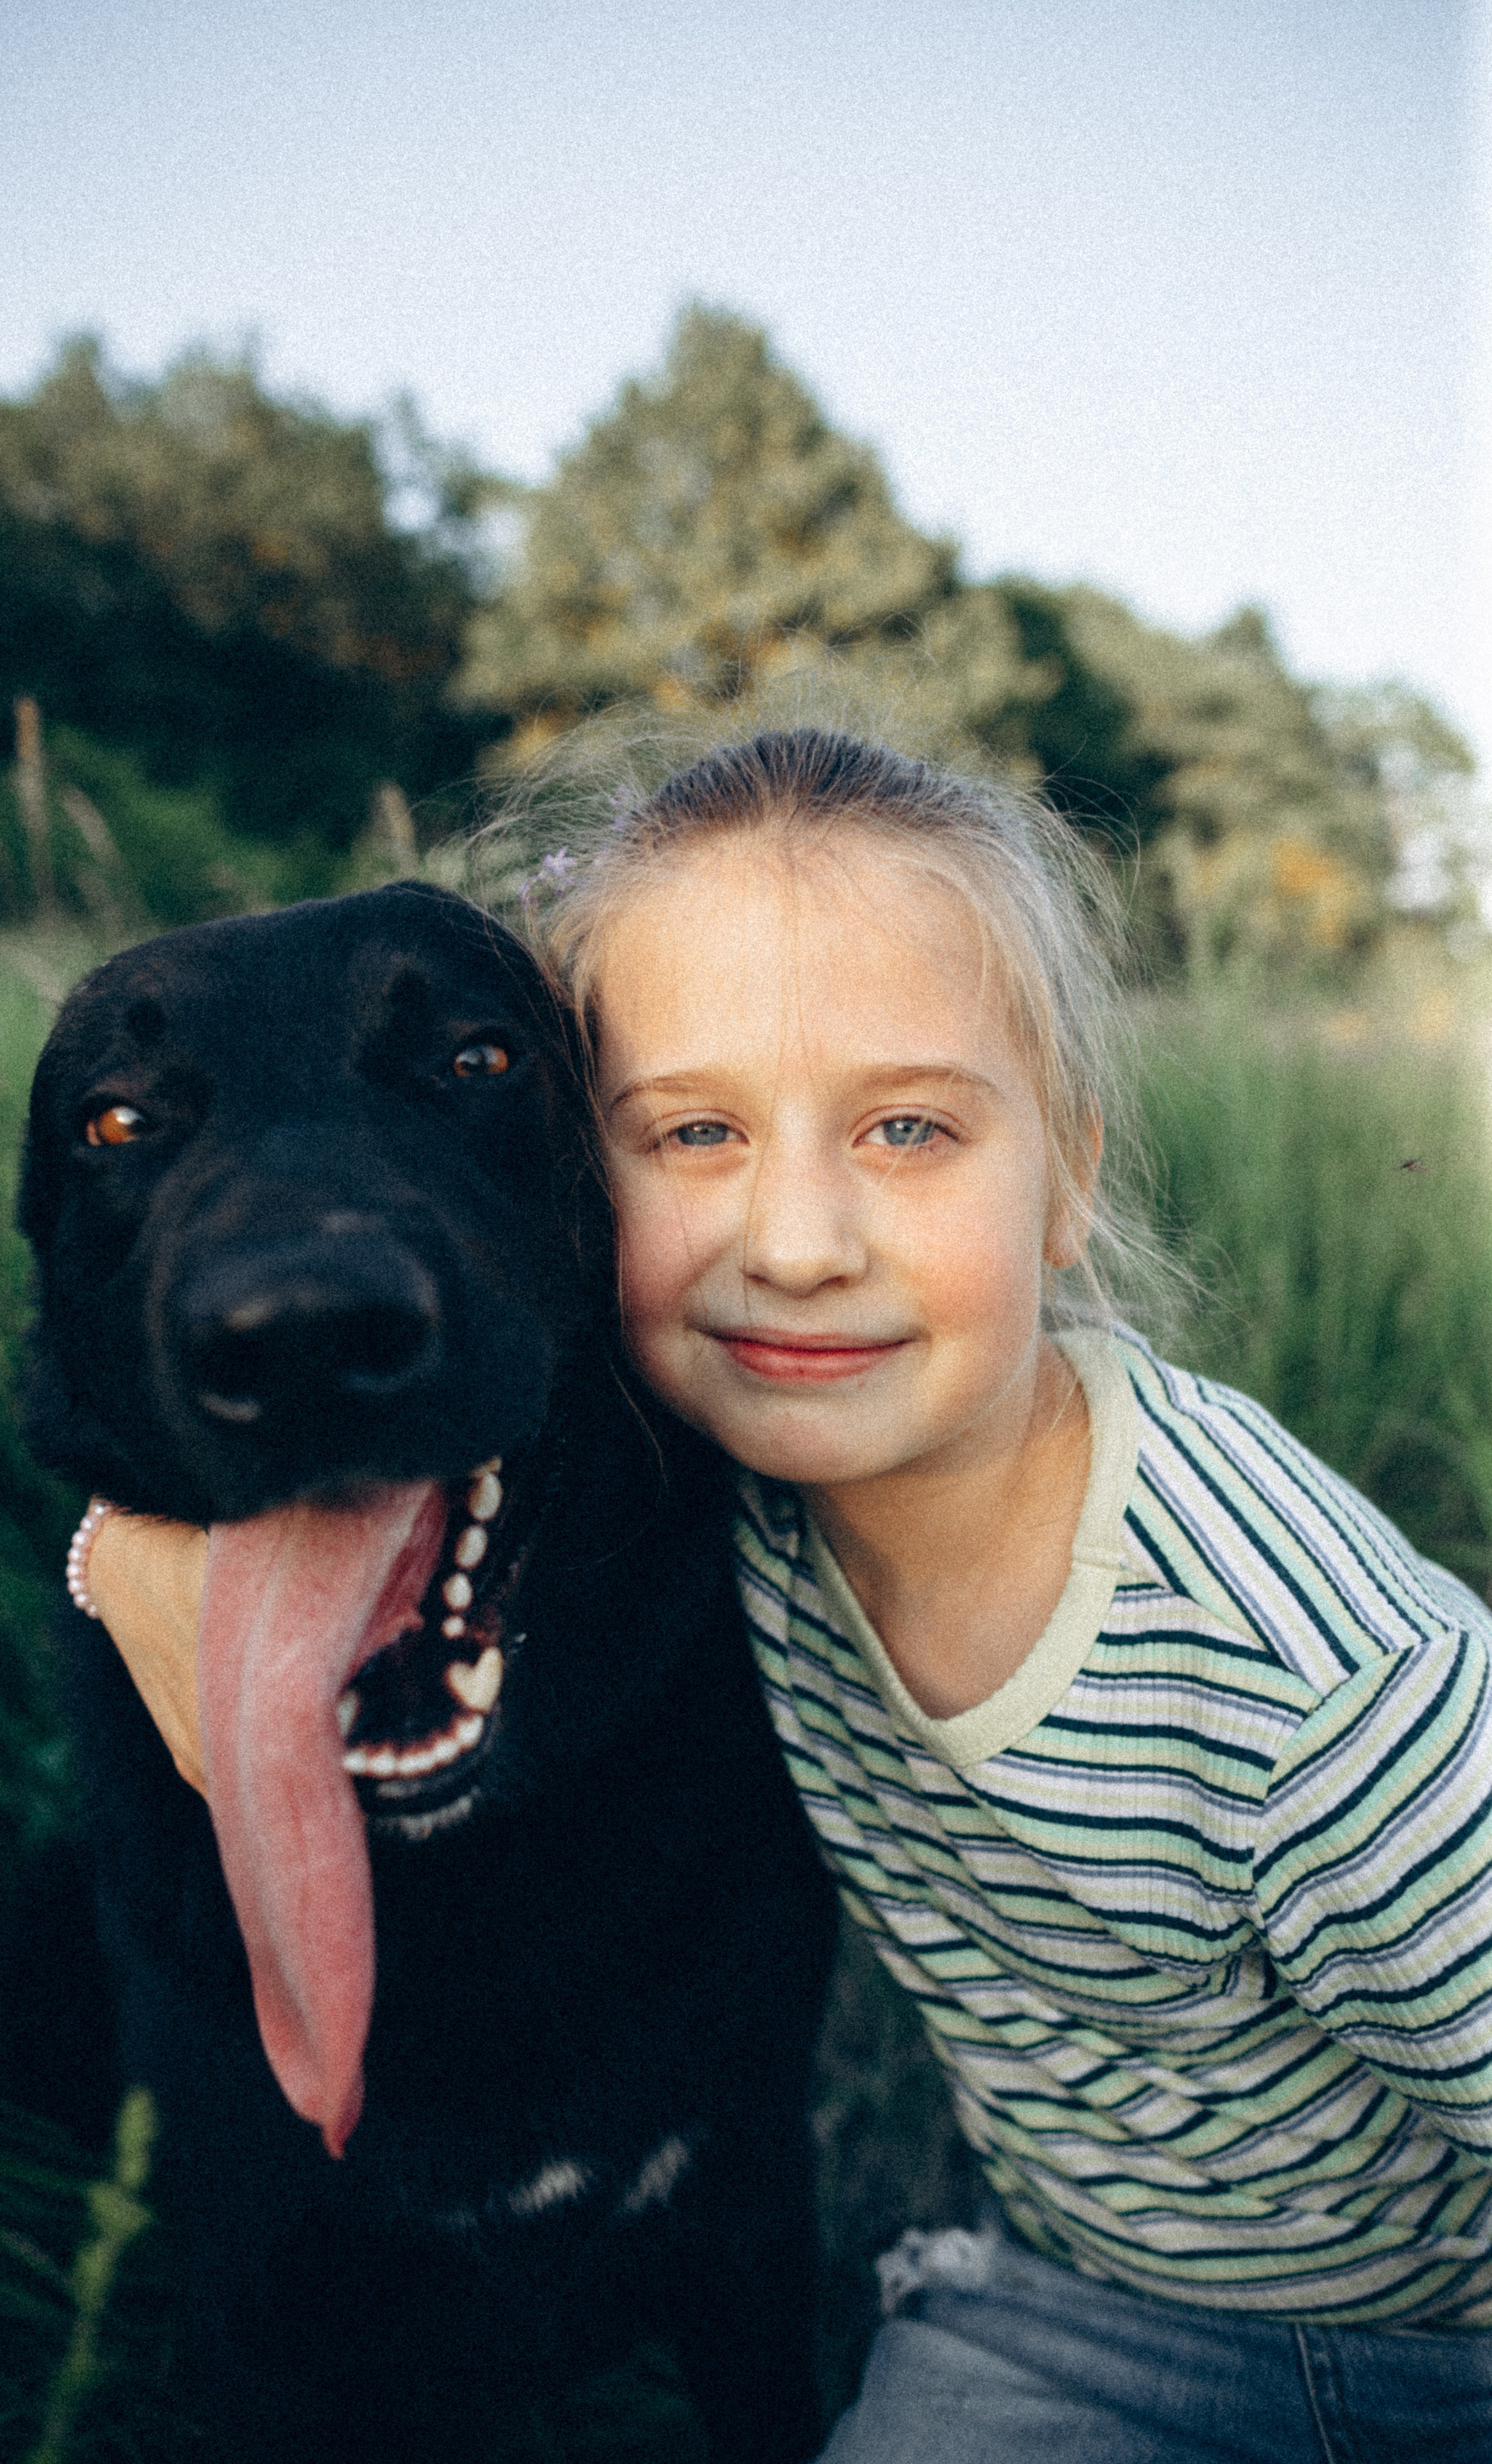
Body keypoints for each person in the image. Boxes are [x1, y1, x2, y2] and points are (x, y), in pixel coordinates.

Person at [76, 729, 1492, 2460]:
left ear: (1073, 1178)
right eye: (692, 1131)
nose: (799, 1239)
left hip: (1444, 2356)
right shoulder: (725, 1478)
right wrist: (124, 1555)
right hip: (1070, 2322)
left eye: (907, 1127)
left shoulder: (1326, 1692)